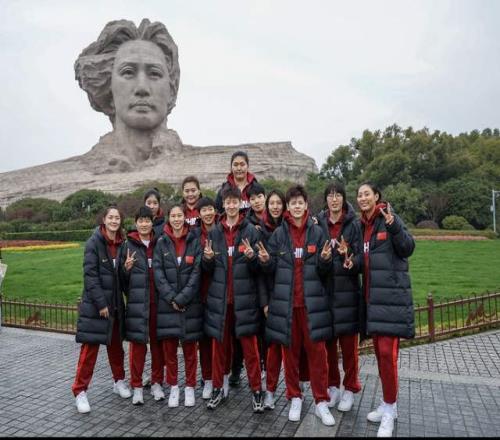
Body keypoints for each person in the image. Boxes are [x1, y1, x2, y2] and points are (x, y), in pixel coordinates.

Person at [258, 185, 335, 426]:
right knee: (289, 355)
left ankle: (321, 401)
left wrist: (325, 260)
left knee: (318, 355)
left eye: (300, 202)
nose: (297, 206)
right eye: (293, 203)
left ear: (306, 205)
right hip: (288, 306)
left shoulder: (317, 232)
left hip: (312, 306)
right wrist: (266, 261)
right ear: (288, 207)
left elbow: (325, 271)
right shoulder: (279, 234)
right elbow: (271, 269)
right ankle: (294, 397)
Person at [356, 182, 415, 438]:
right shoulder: (363, 226)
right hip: (373, 301)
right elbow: (364, 260)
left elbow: (408, 247)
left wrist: (394, 225)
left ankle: (390, 411)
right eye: (359, 195)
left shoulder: (388, 218)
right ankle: (388, 403)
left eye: (367, 194)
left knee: (387, 356)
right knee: (380, 357)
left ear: (376, 196)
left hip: (390, 301)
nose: (362, 198)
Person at [203, 187, 264, 412]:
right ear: (223, 205)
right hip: (220, 301)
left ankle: (257, 390)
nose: (230, 206)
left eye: (234, 202)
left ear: (240, 204)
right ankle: (218, 388)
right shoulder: (214, 233)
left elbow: (259, 268)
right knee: (219, 349)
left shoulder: (251, 231)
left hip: (244, 300)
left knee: (251, 349)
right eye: (227, 202)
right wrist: (207, 260)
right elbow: (206, 268)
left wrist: (252, 258)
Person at [72, 205, 131, 413]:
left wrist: (126, 269)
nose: (114, 221)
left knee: (116, 348)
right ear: (104, 220)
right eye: (111, 217)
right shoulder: (94, 243)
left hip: (115, 306)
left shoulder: (122, 243)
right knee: (89, 351)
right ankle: (80, 391)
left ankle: (119, 381)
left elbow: (120, 279)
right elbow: (90, 276)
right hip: (97, 308)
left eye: (117, 218)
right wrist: (101, 304)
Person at [316, 182, 362, 412]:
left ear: (344, 198)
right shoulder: (318, 224)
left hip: (348, 293)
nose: (334, 199)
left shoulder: (354, 224)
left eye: (338, 195)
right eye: (330, 195)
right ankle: (332, 386)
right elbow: (315, 259)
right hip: (326, 293)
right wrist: (323, 259)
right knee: (329, 347)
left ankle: (350, 388)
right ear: (325, 199)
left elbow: (362, 257)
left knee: (349, 347)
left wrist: (350, 258)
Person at [153, 204, 203, 407]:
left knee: (190, 351)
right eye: (173, 215)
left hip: (190, 305)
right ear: (168, 218)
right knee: (170, 351)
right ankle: (173, 386)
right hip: (168, 306)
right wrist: (173, 298)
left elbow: (197, 272)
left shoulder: (194, 240)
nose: (176, 219)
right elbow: (158, 273)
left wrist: (182, 298)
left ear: (185, 217)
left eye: (179, 215)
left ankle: (190, 387)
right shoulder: (161, 242)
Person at [119, 207, 164, 405]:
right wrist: (126, 270)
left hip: (158, 304)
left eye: (147, 220)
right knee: (137, 347)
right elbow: (121, 282)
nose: (144, 224)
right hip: (137, 305)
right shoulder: (127, 245)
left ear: (152, 222)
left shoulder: (160, 242)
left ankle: (156, 382)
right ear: (136, 223)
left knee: (157, 346)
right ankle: (136, 385)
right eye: (141, 220)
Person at [190, 197, 218, 399]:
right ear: (198, 214)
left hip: (219, 292)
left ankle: (221, 377)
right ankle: (207, 378)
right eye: (204, 210)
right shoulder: (194, 235)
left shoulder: (222, 231)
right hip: (199, 293)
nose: (208, 213)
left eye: (210, 209)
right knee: (204, 340)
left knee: (220, 340)